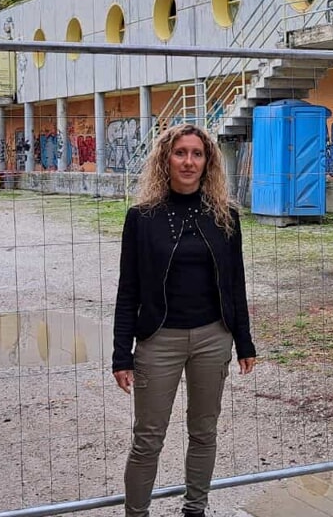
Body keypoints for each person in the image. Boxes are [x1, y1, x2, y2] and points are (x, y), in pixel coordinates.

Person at [112, 123, 257, 517]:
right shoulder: (142, 218)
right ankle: (136, 513)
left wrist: (244, 341)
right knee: (147, 438)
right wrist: (121, 355)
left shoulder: (225, 215)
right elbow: (128, 291)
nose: (189, 161)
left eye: (197, 154)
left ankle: (196, 509)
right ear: (166, 159)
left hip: (214, 338)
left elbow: (235, 282)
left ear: (208, 161)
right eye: (181, 153)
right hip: (159, 340)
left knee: (204, 432)